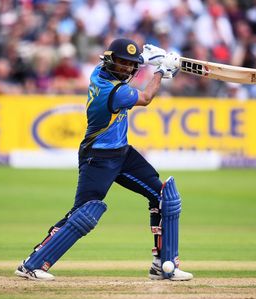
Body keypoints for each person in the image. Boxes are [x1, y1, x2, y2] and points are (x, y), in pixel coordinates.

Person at [15, 38, 193, 281]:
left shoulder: (98, 71)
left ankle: (165, 264)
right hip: (98, 157)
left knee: (164, 197)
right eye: (121, 63)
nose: (125, 69)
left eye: (130, 65)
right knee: (84, 214)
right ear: (110, 61)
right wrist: (161, 70)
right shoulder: (114, 91)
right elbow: (147, 97)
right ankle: (32, 263)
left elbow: (133, 74)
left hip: (122, 152)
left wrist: (148, 62)